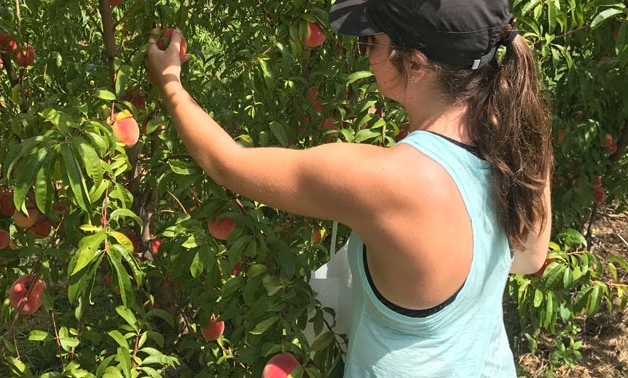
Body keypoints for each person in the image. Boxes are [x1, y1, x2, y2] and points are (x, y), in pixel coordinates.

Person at [146, 0, 553, 375]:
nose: (367, 55)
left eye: (370, 42)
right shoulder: (518, 140)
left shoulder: (389, 180)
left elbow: (226, 163)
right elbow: (530, 257)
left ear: (414, 64)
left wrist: (170, 83)